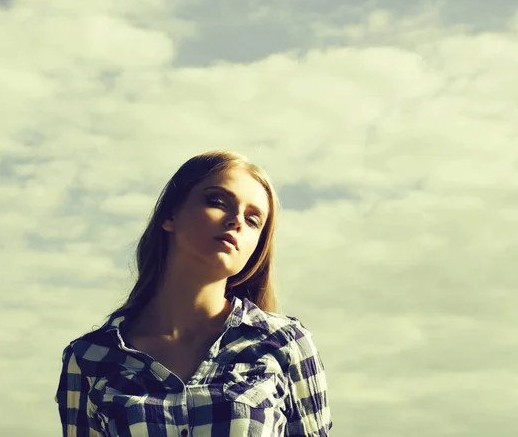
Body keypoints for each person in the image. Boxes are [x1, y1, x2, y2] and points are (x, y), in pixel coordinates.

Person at [54, 150, 333, 436]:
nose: (236, 220)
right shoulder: (91, 357)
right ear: (170, 215)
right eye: (217, 202)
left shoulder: (283, 343)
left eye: (252, 220)